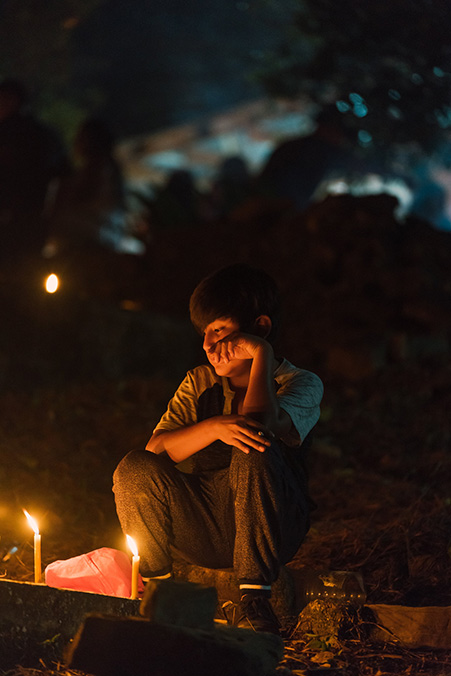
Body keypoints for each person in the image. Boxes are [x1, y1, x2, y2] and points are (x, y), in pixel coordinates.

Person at [113, 263, 323, 634]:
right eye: (204, 333)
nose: (209, 345)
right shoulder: (199, 382)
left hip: (273, 524)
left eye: (220, 330)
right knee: (133, 468)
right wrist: (213, 427)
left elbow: (260, 427)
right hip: (208, 522)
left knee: (252, 446)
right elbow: (156, 451)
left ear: (260, 328)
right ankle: (160, 588)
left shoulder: (300, 383)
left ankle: (255, 597)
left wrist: (262, 356)